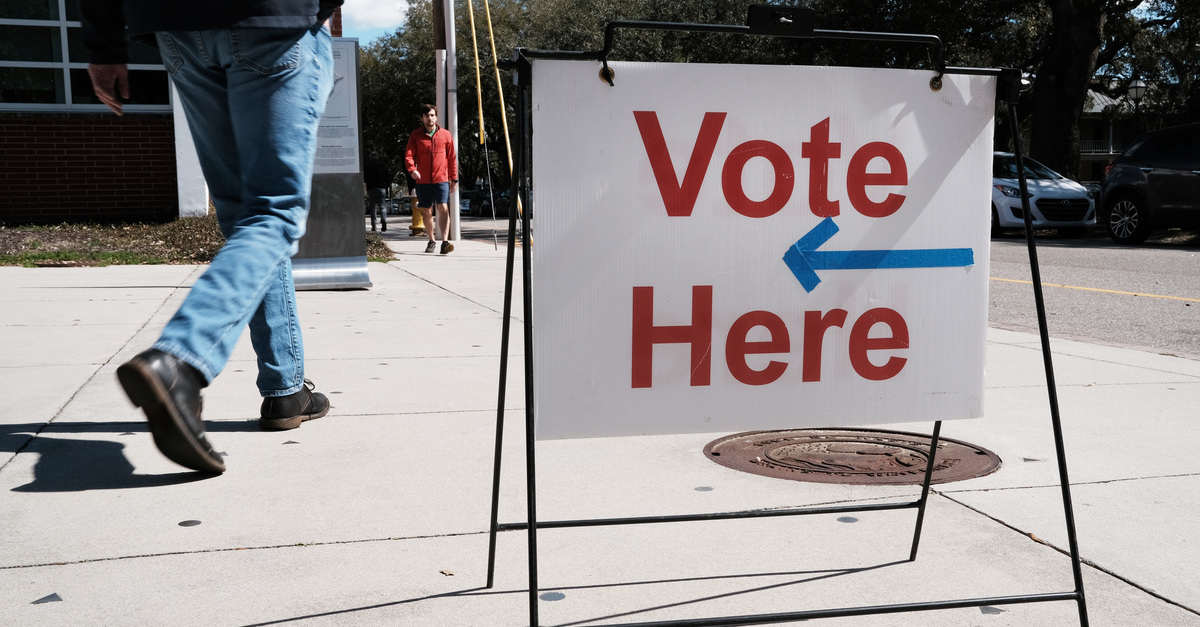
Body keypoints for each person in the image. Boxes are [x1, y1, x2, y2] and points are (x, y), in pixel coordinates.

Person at [81, 1, 341, 474]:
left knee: (248, 217)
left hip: (180, 27)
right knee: (273, 212)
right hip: (272, 18)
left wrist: (103, 48)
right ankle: (182, 359)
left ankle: (285, 391)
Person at [404, 104, 458, 254]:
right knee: (427, 211)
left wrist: (454, 178)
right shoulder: (416, 136)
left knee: (443, 207)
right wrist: (412, 170)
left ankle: (445, 242)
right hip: (423, 181)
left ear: (436, 116)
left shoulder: (446, 135)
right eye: (427, 116)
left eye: (432, 115)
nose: (430, 118)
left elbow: (452, 158)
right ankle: (431, 240)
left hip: (441, 179)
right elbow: (409, 155)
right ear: (422, 118)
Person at [364, 151, 391, 232]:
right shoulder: (383, 166)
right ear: (377, 156)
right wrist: (386, 186)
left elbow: (365, 177)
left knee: (372, 207)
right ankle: (383, 221)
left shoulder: (367, 166)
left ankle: (374, 225)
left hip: (372, 188)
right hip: (382, 188)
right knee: (382, 206)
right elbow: (388, 177)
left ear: (370, 157)